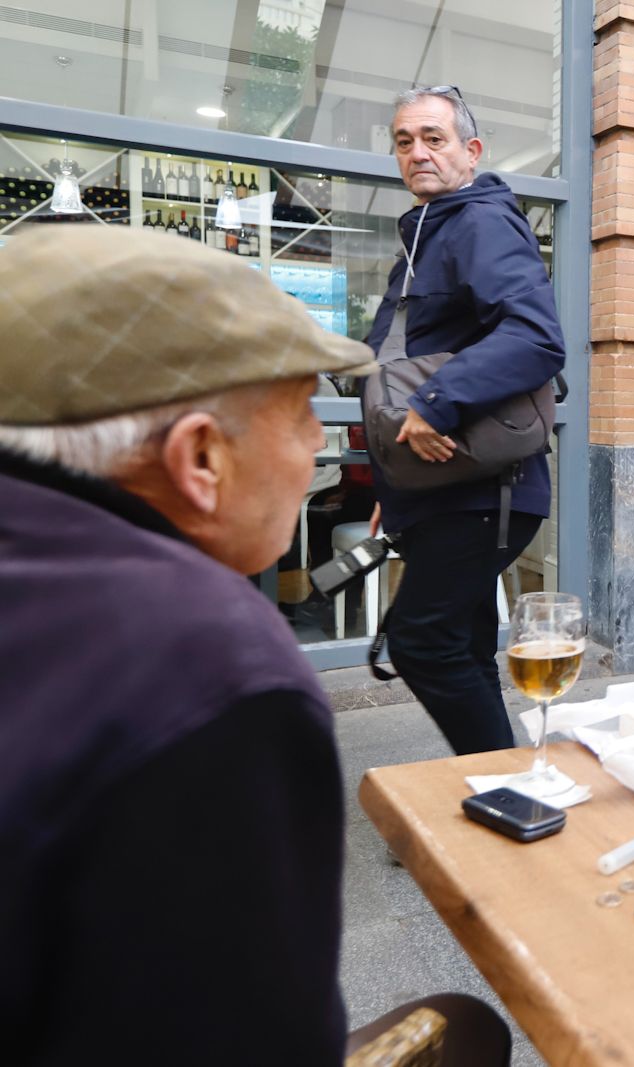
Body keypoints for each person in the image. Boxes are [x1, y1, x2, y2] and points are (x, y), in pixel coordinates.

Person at [0, 226, 509, 1064]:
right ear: (200, 455)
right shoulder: (207, 665)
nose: (318, 438)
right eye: (305, 406)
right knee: (469, 1031)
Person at [366, 86, 567, 754]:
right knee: (465, 646)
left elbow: (536, 337)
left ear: (470, 150)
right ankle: (496, 783)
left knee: (422, 642)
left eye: (434, 137)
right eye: (404, 141)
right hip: (443, 487)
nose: (417, 152)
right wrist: (389, 483)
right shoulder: (429, 232)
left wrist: (434, 403)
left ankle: (507, 785)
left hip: (485, 491)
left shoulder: (478, 222)